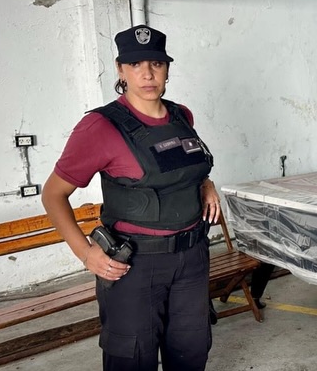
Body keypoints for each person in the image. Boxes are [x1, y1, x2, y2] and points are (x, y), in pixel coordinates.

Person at [41, 24, 220, 371]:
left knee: (192, 350)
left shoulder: (182, 115)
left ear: (167, 69)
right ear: (121, 70)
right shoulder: (100, 127)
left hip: (192, 257)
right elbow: (53, 194)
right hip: (135, 264)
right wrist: (86, 253)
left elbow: (184, 167)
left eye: (156, 63)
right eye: (136, 64)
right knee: (132, 358)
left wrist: (205, 183)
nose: (147, 74)